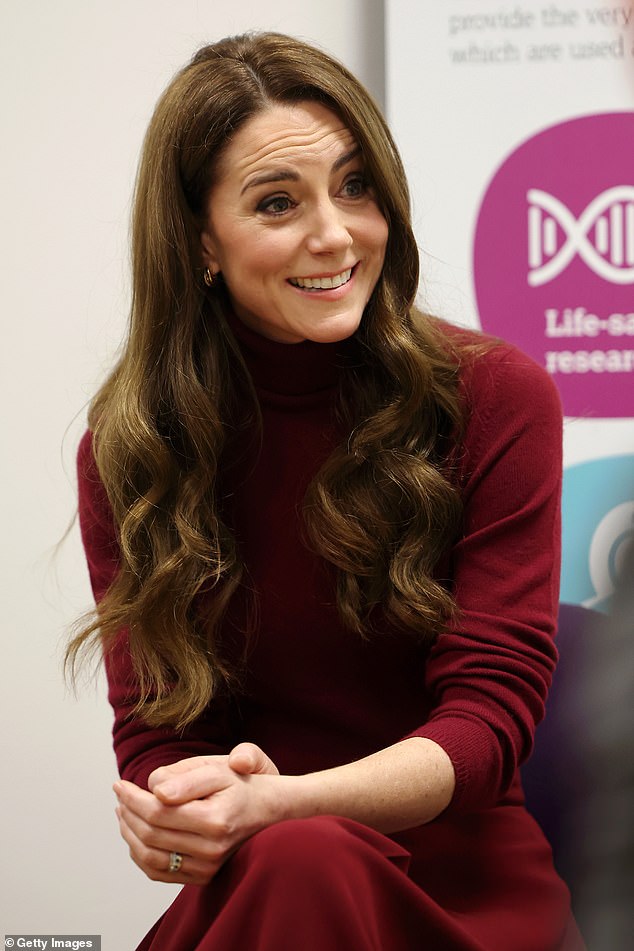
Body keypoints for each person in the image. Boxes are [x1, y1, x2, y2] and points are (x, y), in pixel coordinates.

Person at [68, 32, 585, 950]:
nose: (337, 234)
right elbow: (158, 741)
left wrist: (282, 805)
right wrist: (172, 820)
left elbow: (487, 723)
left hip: (462, 888)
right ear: (201, 243)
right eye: (278, 202)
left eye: (356, 185)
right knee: (296, 863)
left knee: (301, 856)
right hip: (269, 884)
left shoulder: (498, 397)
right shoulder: (131, 452)